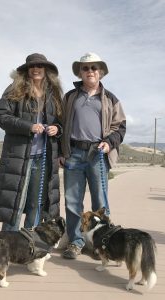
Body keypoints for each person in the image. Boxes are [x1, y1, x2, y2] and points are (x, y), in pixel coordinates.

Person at [61, 52, 126, 259]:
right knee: (72, 201)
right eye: (85, 68)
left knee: (100, 202)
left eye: (94, 68)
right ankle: (76, 242)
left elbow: (120, 127)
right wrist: (61, 152)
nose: (90, 71)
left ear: (101, 73)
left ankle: (101, 243)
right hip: (73, 153)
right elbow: (60, 125)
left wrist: (110, 143)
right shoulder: (70, 97)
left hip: (98, 153)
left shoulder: (110, 99)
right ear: (80, 73)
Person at [0, 53, 63, 231]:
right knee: (16, 202)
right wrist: (28, 126)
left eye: (40, 66)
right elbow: (1, 116)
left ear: (46, 70)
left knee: (36, 203)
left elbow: (61, 122)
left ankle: (30, 243)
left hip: (44, 158)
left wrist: (57, 129)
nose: (36, 69)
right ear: (27, 70)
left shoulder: (53, 94)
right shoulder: (15, 89)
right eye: (32, 66)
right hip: (19, 156)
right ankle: (8, 244)